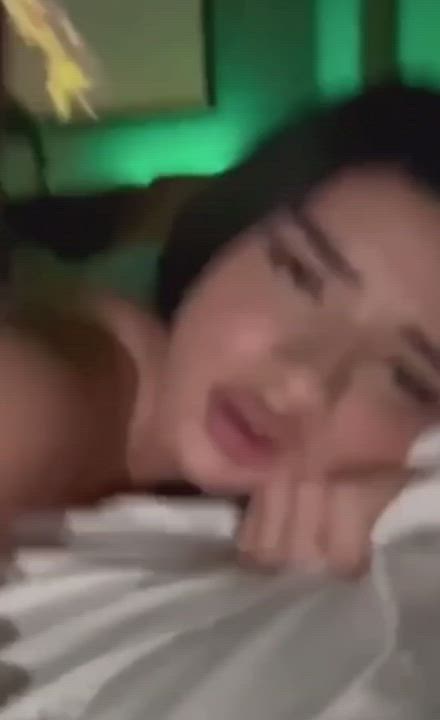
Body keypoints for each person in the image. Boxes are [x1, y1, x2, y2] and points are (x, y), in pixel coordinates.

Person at [2, 81, 440, 576]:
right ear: (232, 231)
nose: (304, 380)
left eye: (406, 378)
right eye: (299, 273)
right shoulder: (49, 391)